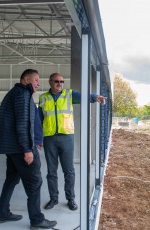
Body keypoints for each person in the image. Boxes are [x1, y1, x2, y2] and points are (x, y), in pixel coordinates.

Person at [0, 69, 57, 229]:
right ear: (26, 79)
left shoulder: (18, 93)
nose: (39, 83)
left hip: (12, 147)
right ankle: (37, 220)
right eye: (36, 80)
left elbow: (29, 122)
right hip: (19, 148)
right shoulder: (22, 95)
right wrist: (27, 149)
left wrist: (36, 138)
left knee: (11, 178)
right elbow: (23, 123)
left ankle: (3, 213)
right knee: (34, 181)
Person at [38, 73, 106, 210]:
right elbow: (39, 119)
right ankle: (54, 199)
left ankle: (71, 199)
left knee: (69, 171)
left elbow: (84, 95)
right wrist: (38, 138)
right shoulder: (43, 98)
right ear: (50, 82)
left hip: (66, 138)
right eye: (56, 81)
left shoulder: (69, 94)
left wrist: (95, 97)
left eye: (62, 81)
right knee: (51, 172)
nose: (59, 84)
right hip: (49, 138)